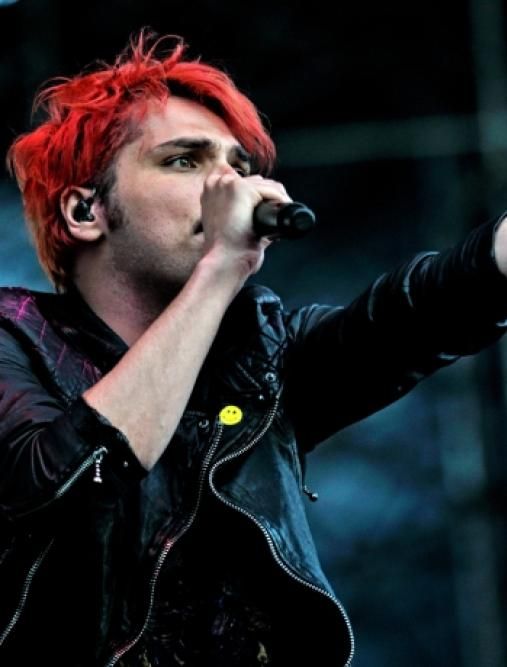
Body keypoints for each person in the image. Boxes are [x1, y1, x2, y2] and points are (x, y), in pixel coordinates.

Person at [0, 29, 507, 667]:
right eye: (184, 161)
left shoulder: (260, 358)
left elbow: (411, 317)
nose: (229, 186)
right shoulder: (14, 339)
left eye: (239, 167)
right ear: (85, 211)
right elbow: (70, 487)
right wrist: (220, 268)